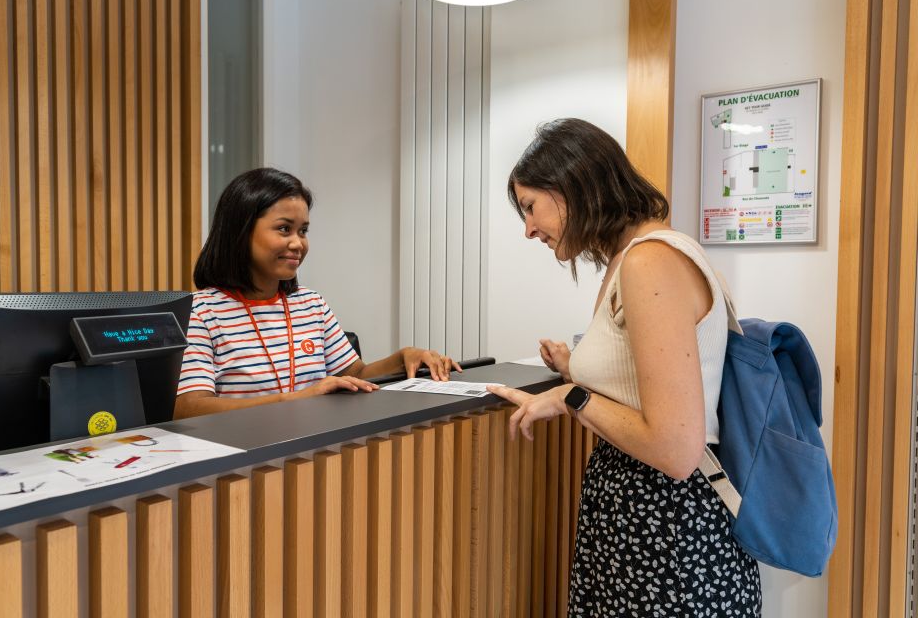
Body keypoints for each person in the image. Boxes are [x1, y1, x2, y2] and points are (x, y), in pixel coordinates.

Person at [486, 119, 761, 616]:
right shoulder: (632, 257)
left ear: (572, 186)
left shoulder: (649, 261)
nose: (528, 229)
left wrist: (571, 397)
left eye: (530, 207)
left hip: (667, 529)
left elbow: (676, 449)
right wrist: (579, 370)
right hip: (640, 521)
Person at [175, 168, 461, 419]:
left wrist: (403, 357)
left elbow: (355, 375)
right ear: (240, 232)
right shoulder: (201, 312)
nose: (298, 243)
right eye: (284, 229)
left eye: (303, 231)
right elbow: (190, 407)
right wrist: (295, 399)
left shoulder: (310, 304)